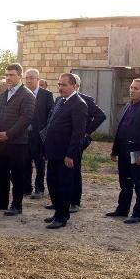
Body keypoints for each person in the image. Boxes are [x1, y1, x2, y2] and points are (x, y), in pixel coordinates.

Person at [0, 63, 35, 217]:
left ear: (20, 76)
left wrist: (9, 134)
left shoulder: (27, 95)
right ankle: (2, 201)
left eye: (11, 75)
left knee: (17, 175)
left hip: (18, 143)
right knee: (1, 172)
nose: (8, 78)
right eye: (6, 75)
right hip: (2, 142)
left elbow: (25, 119)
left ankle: (16, 205)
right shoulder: (3, 94)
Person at [106, 78, 140, 224]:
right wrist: (114, 150)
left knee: (139, 183)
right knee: (125, 182)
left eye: (136, 88)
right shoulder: (128, 106)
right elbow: (120, 130)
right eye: (131, 87)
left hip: (136, 152)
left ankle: (138, 214)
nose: (132, 90)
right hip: (122, 151)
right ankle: (122, 209)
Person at [41, 73, 88, 229]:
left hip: (65, 155)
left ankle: (62, 217)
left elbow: (78, 133)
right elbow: (51, 125)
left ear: (74, 86)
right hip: (53, 152)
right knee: (52, 183)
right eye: (59, 84)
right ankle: (57, 212)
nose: (60, 87)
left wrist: (70, 154)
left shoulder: (79, 104)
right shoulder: (60, 101)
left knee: (64, 186)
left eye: (64, 85)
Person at [69, 74, 106, 213]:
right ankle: (61, 200)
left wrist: (86, 131)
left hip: (78, 140)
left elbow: (101, 116)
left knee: (74, 169)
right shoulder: (61, 99)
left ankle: (74, 202)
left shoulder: (85, 100)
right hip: (64, 140)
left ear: (76, 86)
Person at [23, 68, 54, 199]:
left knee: (39, 164)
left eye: (31, 77)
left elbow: (51, 115)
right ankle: (26, 188)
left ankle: (39, 189)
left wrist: (45, 134)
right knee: (25, 163)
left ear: (38, 79)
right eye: (27, 78)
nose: (29, 80)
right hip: (24, 136)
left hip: (39, 136)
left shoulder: (46, 95)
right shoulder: (22, 94)